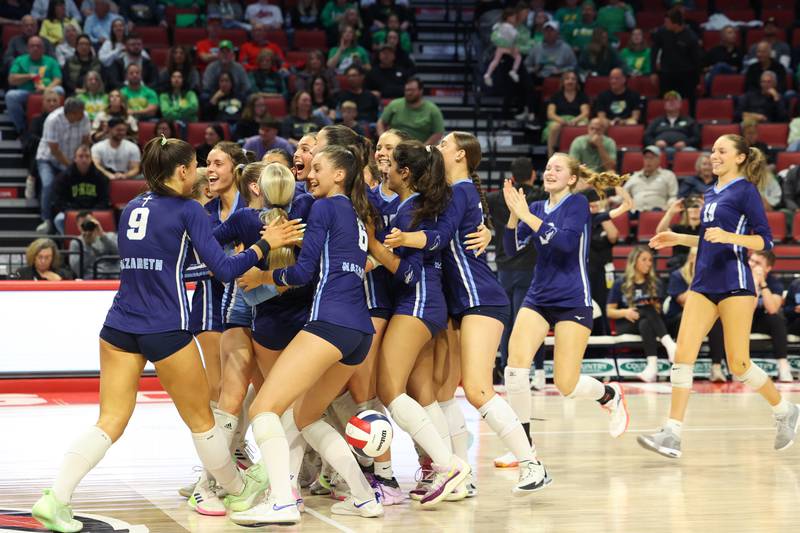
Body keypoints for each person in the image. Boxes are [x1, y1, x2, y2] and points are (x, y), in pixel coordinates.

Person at [30, 136, 302, 533]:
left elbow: (160, 267)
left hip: (119, 325)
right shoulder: (189, 210)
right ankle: (239, 486)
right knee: (201, 421)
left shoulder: (131, 208)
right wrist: (265, 244)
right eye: (195, 165)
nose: (201, 173)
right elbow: (226, 272)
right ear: (181, 172)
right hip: (165, 326)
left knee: (109, 421)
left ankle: (56, 497)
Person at [384, 131, 548, 502]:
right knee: (446, 392)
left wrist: (399, 240)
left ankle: (532, 463)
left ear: (459, 155)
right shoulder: (451, 192)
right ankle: (461, 475)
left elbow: (439, 238)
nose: (437, 148)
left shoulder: (461, 192)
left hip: (480, 298)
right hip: (458, 303)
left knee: (476, 389)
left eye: (443, 145)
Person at [230, 144, 384, 525]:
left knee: (265, 408)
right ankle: (365, 498)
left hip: (329, 322)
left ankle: (282, 502)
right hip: (358, 331)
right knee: (306, 416)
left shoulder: (325, 207)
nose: (309, 175)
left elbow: (301, 274)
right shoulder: (355, 213)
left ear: (340, 175)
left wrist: (261, 276)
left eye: (318, 168)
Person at [638, 134, 800, 459]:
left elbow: (765, 241)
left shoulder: (746, 191)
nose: (714, 155)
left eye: (721, 151)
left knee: (739, 365)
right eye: (712, 150)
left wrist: (730, 236)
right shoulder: (710, 192)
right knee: (682, 355)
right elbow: (709, 239)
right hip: (703, 283)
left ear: (740, 158)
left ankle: (785, 410)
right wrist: (681, 238)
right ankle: (673, 433)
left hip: (736, 283)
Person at [500, 150, 629, 482]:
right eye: (546, 168)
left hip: (573, 298)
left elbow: (565, 245)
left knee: (566, 384)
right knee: (514, 366)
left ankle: (609, 395)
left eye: (557, 168)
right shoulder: (539, 208)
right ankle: (523, 445)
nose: (549, 172)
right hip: (539, 296)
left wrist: (526, 215)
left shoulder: (577, 205)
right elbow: (512, 250)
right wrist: (515, 215)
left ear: (572, 178)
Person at [486, 157, 546, 389]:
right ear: (533, 174)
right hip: (531, 266)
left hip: (504, 266)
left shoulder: (498, 197)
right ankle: (538, 372)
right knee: (533, 320)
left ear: (510, 178)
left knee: (507, 321)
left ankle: (505, 369)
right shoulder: (540, 197)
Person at [607, 246, 677, 382]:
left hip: (650, 323)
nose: (649, 263)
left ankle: (652, 367)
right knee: (646, 311)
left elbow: (659, 310)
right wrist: (625, 312)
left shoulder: (655, 282)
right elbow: (609, 311)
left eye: (650, 260)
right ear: (634, 261)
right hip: (628, 323)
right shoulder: (620, 283)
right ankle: (670, 344)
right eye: (644, 259)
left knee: (647, 318)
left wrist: (655, 306)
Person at [665, 247, 727, 383]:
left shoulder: (713, 276)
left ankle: (716, 367)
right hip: (677, 318)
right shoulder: (678, 275)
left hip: (701, 317)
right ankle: (684, 368)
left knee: (716, 321)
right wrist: (697, 278)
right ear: (692, 258)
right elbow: (684, 301)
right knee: (690, 319)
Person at [36, 97, 91, 234]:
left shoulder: (84, 117)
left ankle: (68, 218)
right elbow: (54, 150)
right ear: (72, 113)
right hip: (48, 158)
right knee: (48, 184)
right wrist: (72, 166)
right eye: (80, 112)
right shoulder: (53, 119)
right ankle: (46, 220)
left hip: (72, 158)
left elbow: (85, 142)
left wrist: (78, 160)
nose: (84, 114)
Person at [749, 250, 793, 383]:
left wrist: (761, 283)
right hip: (744, 319)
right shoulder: (739, 279)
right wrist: (753, 284)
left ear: (767, 268)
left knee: (777, 319)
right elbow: (748, 308)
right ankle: (738, 366)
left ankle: (783, 366)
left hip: (762, 321)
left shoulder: (774, 283)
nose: (751, 264)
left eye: (757, 263)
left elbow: (772, 308)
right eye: (751, 260)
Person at [6, 36, 64, 134]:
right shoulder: (20, 60)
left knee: (59, 90)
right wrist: (29, 76)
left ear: (43, 49)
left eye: (38, 46)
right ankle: (22, 129)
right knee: (10, 96)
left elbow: (58, 79)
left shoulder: (51, 61)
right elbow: (11, 79)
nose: (35, 48)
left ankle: (58, 124)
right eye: (32, 46)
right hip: (27, 92)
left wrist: (46, 89)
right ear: (27, 48)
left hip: (47, 91)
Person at [52, 144, 110, 234]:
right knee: (58, 219)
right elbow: (58, 200)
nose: (84, 159)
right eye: (80, 156)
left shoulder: (100, 177)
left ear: (91, 159)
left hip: (94, 212)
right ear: (75, 159)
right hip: (72, 212)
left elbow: (105, 199)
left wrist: (92, 212)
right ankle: (70, 242)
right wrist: (72, 211)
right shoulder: (64, 177)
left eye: (87, 156)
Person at [650, 7, 700, 101]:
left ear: (676, 24)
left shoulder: (691, 37)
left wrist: (697, 80)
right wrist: (653, 72)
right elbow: (654, 51)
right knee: (666, 101)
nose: (665, 24)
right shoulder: (662, 32)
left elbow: (696, 61)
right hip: (666, 74)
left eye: (667, 22)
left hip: (685, 75)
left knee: (686, 102)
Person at [376, 77, 444, 145]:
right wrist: (384, 140)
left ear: (421, 90)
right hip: (394, 146)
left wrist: (423, 148)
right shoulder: (394, 104)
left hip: (418, 149)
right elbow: (380, 123)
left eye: (412, 90)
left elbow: (438, 133)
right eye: (407, 90)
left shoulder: (433, 110)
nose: (408, 93)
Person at [543, 70, 590, 157]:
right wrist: (562, 121)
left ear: (576, 82)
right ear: (563, 82)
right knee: (554, 126)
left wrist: (575, 121)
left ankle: (581, 155)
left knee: (583, 124)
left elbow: (585, 113)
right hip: (560, 120)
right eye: (567, 79)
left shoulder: (582, 96)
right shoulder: (556, 96)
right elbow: (550, 114)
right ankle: (551, 156)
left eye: (573, 79)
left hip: (577, 119)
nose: (570, 81)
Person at [623, 145, 678, 212]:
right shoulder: (634, 176)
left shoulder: (668, 175)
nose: (648, 161)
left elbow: (673, 196)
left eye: (652, 158)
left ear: (659, 160)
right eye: (646, 158)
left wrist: (670, 206)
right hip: (636, 213)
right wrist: (611, 200)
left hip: (659, 213)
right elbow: (623, 195)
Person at [67, 210, 119, 279]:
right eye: (83, 224)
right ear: (78, 226)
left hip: (114, 276)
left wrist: (103, 236)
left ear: (95, 221)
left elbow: (120, 254)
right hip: (93, 279)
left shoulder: (110, 236)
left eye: (89, 222)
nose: (87, 226)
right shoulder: (76, 242)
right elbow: (77, 269)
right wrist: (88, 245)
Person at [655, 194, 702, 268]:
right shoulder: (678, 228)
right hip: (680, 266)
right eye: (691, 207)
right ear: (686, 212)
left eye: (697, 207)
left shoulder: (707, 228)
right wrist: (670, 212)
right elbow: (661, 233)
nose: (694, 210)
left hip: (702, 264)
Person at [483, 7, 522, 87]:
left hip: (502, 47)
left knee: (496, 61)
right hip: (506, 47)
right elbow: (514, 36)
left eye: (515, 17)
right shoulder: (509, 27)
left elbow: (495, 29)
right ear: (508, 17)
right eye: (513, 17)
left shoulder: (499, 25)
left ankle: (488, 74)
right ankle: (513, 71)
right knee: (518, 57)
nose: (514, 19)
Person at [703, 25, 743, 94]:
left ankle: (708, 90)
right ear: (722, 37)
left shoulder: (739, 51)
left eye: (734, 33)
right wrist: (711, 68)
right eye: (730, 33)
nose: (733, 35)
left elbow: (740, 68)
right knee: (718, 67)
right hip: (716, 74)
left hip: (733, 75)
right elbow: (703, 67)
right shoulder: (714, 51)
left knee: (720, 65)